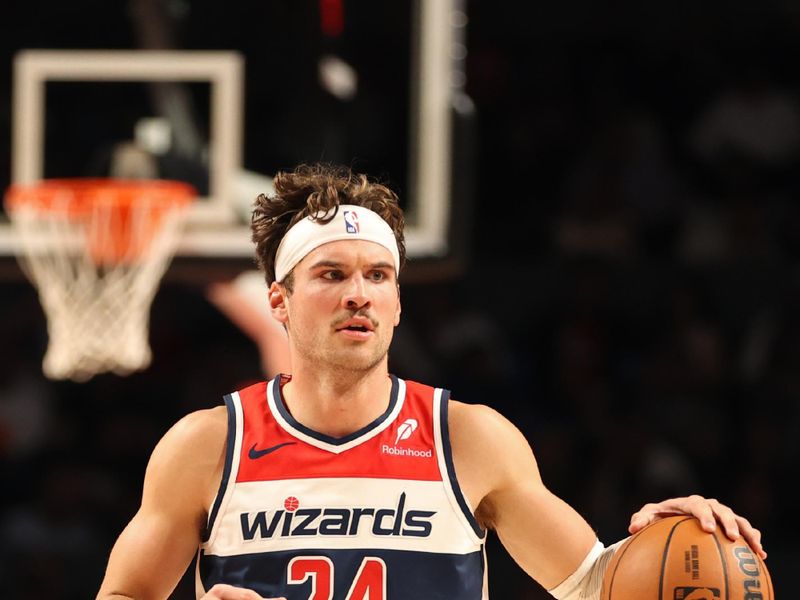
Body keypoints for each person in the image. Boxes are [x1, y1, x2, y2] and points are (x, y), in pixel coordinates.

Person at [96, 163, 766, 600]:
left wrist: (653, 543)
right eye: (331, 274)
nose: (358, 294)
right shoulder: (208, 446)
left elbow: (594, 585)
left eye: (377, 276)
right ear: (280, 301)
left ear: (396, 302)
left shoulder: (467, 437)